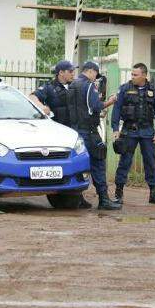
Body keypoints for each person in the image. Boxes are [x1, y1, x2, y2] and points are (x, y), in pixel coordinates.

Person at [29, 60, 93, 209]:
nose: (73, 74)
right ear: (61, 73)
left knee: (77, 164)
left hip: (75, 131)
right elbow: (32, 97)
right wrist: (41, 107)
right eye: (70, 71)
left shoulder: (75, 85)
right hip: (58, 132)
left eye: (73, 71)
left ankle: (78, 196)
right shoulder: (49, 87)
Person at [67, 61, 121, 210]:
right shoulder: (89, 85)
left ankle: (77, 199)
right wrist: (110, 101)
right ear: (91, 71)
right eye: (95, 74)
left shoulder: (72, 85)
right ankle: (104, 200)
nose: (96, 78)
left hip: (75, 132)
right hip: (89, 132)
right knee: (98, 164)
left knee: (79, 165)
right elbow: (96, 106)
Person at [112, 63, 155, 206]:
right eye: (132, 74)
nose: (133, 77)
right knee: (125, 161)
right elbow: (116, 110)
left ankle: (154, 194)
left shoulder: (154, 91)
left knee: (150, 162)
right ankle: (118, 193)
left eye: (135, 75)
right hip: (129, 131)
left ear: (144, 75)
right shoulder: (124, 89)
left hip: (147, 131)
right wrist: (115, 129)